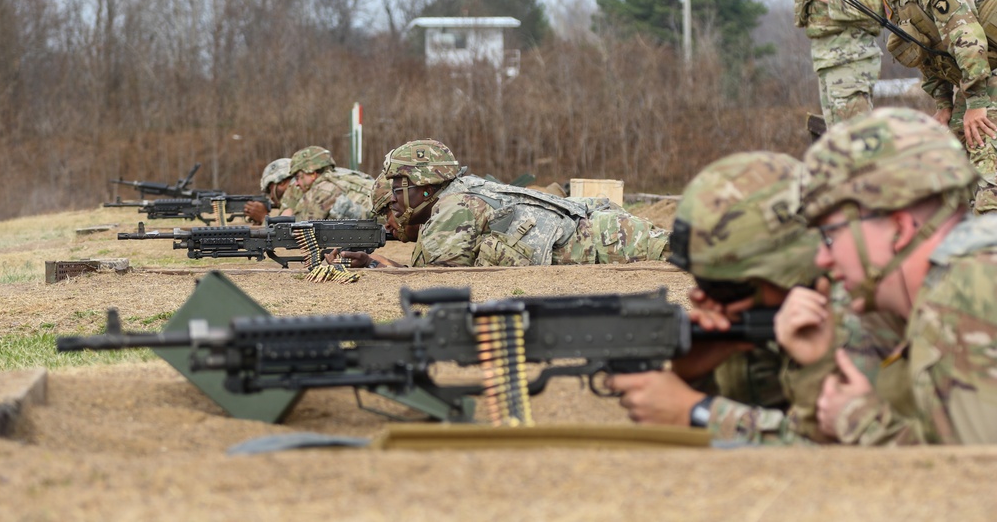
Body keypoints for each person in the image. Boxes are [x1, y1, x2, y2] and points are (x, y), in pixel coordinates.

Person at [777, 107, 997, 444]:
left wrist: (861, 422)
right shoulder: (953, 283)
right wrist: (823, 364)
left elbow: (977, 483)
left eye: (829, 235)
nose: (822, 258)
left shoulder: (968, 292)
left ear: (899, 228)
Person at [606, 151, 823, 444]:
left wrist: (696, 412)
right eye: (706, 283)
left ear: (796, 265)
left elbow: (840, 451)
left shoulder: (874, 318)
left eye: (731, 288)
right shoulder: (774, 315)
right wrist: (697, 379)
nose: (714, 302)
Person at [849, 0, 997, 213]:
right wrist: (944, 105)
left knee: (984, 154)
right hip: (982, 71)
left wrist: (977, 104)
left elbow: (967, 41)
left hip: (985, 70)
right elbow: (925, 51)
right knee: (950, 153)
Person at [375, 138, 669, 267]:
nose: (395, 200)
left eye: (398, 188)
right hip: (601, 230)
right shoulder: (463, 192)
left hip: (605, 241)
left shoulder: (454, 207)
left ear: (425, 187)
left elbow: (434, 280)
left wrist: (378, 265)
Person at [289, 145, 374, 221]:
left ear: (312, 174)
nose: (296, 183)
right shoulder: (343, 177)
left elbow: (303, 226)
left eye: (298, 177)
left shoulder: (323, 189)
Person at [243, 157, 301, 224]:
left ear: (282, 182)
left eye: (271, 190)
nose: (272, 197)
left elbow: (284, 231)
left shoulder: (295, 195)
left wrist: (264, 219)